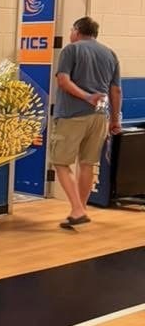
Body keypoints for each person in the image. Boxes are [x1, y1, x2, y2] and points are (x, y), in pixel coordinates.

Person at [52, 16, 121, 230]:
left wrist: (86, 96)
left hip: (72, 115)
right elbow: (116, 90)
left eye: (72, 30)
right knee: (87, 163)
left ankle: (77, 209)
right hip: (100, 116)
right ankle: (80, 209)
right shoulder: (110, 54)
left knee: (61, 162)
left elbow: (63, 81)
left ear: (77, 30)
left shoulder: (71, 50)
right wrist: (115, 119)